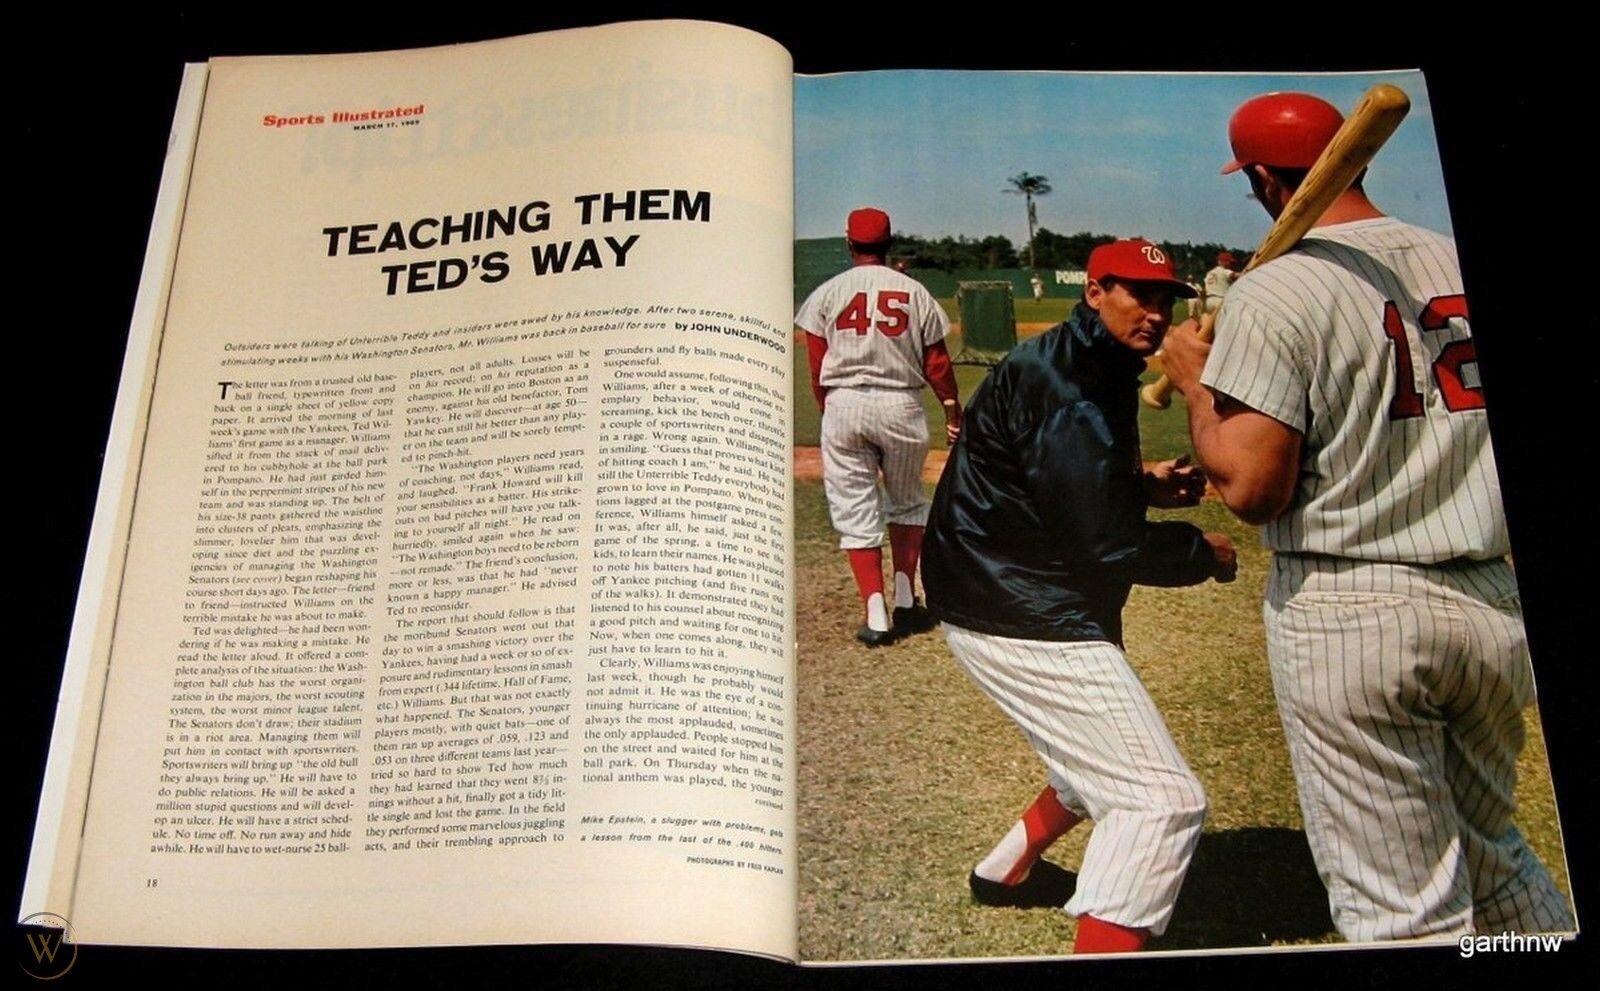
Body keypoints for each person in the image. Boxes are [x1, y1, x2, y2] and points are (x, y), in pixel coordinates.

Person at [1159, 91, 1575, 943]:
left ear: (1265, 182)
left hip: (1354, 606)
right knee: (1494, 862)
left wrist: (1196, 382)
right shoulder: (1452, 256)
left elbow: (1252, 487)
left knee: (1401, 912)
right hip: (1491, 603)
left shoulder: (1279, 289)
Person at [921, 238, 1237, 953]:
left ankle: (1005, 871)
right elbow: (1104, 546)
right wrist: (1201, 550)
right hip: (1017, 602)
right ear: (1095, 290)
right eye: (1137, 294)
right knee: (1159, 800)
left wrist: (1142, 484)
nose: (1154, 313)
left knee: (1093, 759)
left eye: (1164, 299)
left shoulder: (1088, 361)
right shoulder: (1068, 381)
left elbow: (1057, 483)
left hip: (1004, 580)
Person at [795, 207, 962, 647]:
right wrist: (951, 409)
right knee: (907, 502)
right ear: (890, 243)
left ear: (849, 242)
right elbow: (937, 362)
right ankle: (907, 595)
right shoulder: (914, 292)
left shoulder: (828, 292)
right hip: (900, 405)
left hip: (845, 403)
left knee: (854, 511)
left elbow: (816, 363)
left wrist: (827, 407)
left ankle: (875, 612)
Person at [1201, 250, 1238, 314]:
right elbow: (1234, 275)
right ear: (1224, 262)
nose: (1231, 265)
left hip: (1209, 302)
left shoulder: (1209, 273)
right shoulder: (1224, 271)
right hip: (1220, 300)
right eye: (1230, 262)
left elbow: (1204, 289)